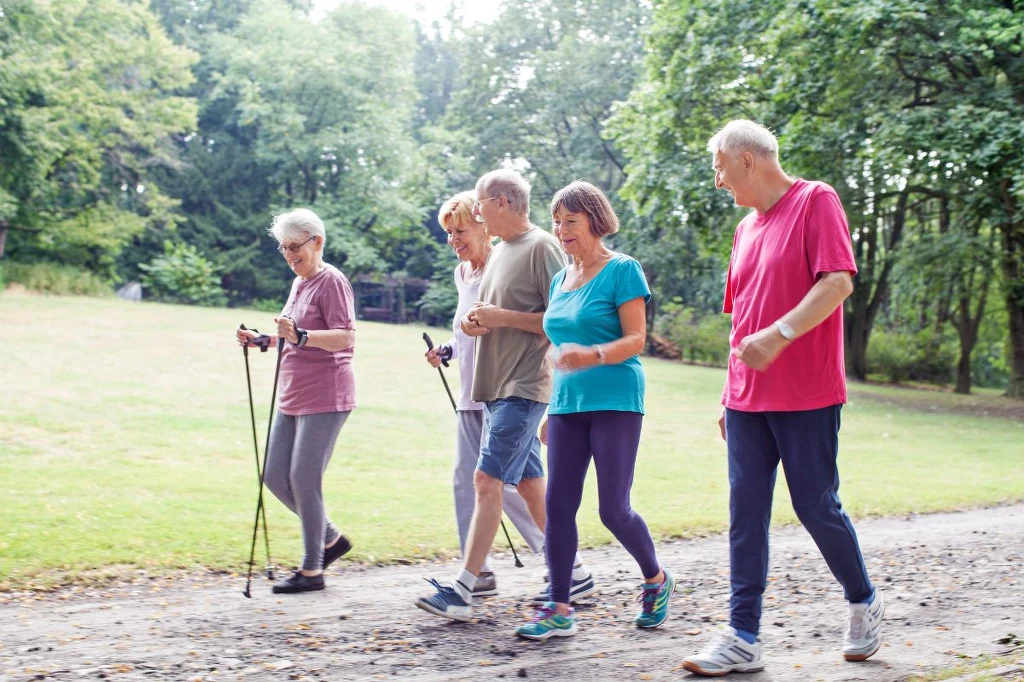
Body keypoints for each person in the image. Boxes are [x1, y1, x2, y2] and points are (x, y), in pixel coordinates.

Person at [682, 120, 883, 675]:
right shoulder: (746, 230)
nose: (718, 181)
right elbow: (741, 320)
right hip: (748, 399)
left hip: (807, 393)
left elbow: (837, 282)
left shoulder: (815, 201)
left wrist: (781, 335)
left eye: (720, 167)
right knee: (745, 513)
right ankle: (743, 635)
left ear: (748, 160)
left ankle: (863, 600)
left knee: (815, 504)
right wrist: (728, 393)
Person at [415, 170, 595, 622]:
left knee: (485, 481)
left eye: (479, 205)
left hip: (524, 385)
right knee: (531, 485)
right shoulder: (498, 256)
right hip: (494, 388)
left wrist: (501, 319)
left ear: (501, 202)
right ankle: (571, 573)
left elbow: (565, 317)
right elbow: (494, 315)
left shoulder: (541, 247)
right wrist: (477, 325)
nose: (475, 213)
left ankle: (464, 586)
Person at [513, 180, 674, 641]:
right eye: (557, 222)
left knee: (613, 509)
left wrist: (595, 354)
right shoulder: (561, 279)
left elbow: (636, 339)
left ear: (596, 222)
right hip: (567, 404)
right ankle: (559, 606)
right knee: (558, 504)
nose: (562, 230)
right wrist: (552, 407)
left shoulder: (623, 269)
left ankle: (656, 579)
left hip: (616, 399)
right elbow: (558, 347)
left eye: (572, 221)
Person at [423, 191, 546, 597]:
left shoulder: (503, 264)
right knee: (470, 479)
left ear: (482, 227)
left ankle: (553, 554)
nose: (453, 239)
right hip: (469, 392)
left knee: (502, 481)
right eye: (448, 233)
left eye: (459, 230)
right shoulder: (463, 274)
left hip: (507, 389)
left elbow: (510, 326)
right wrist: (448, 348)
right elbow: (468, 332)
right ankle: (480, 570)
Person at [235, 208, 357, 594]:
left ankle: (311, 569)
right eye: (284, 248)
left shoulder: (331, 281)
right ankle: (330, 539)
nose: (289, 255)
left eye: (295, 247)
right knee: (274, 474)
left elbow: (345, 337)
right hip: (292, 392)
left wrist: (302, 336)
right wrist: (263, 340)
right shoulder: (299, 283)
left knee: (304, 478)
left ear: (317, 242)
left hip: (327, 393)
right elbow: (292, 333)